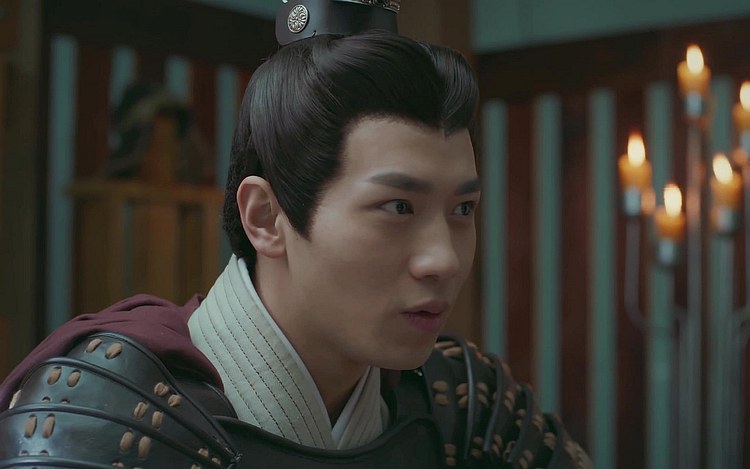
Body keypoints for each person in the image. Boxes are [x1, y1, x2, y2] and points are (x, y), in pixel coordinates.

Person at [0, 1, 591, 467]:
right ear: (265, 217)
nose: (444, 260)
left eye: (462, 209)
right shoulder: (102, 413)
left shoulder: (466, 411)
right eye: (398, 207)